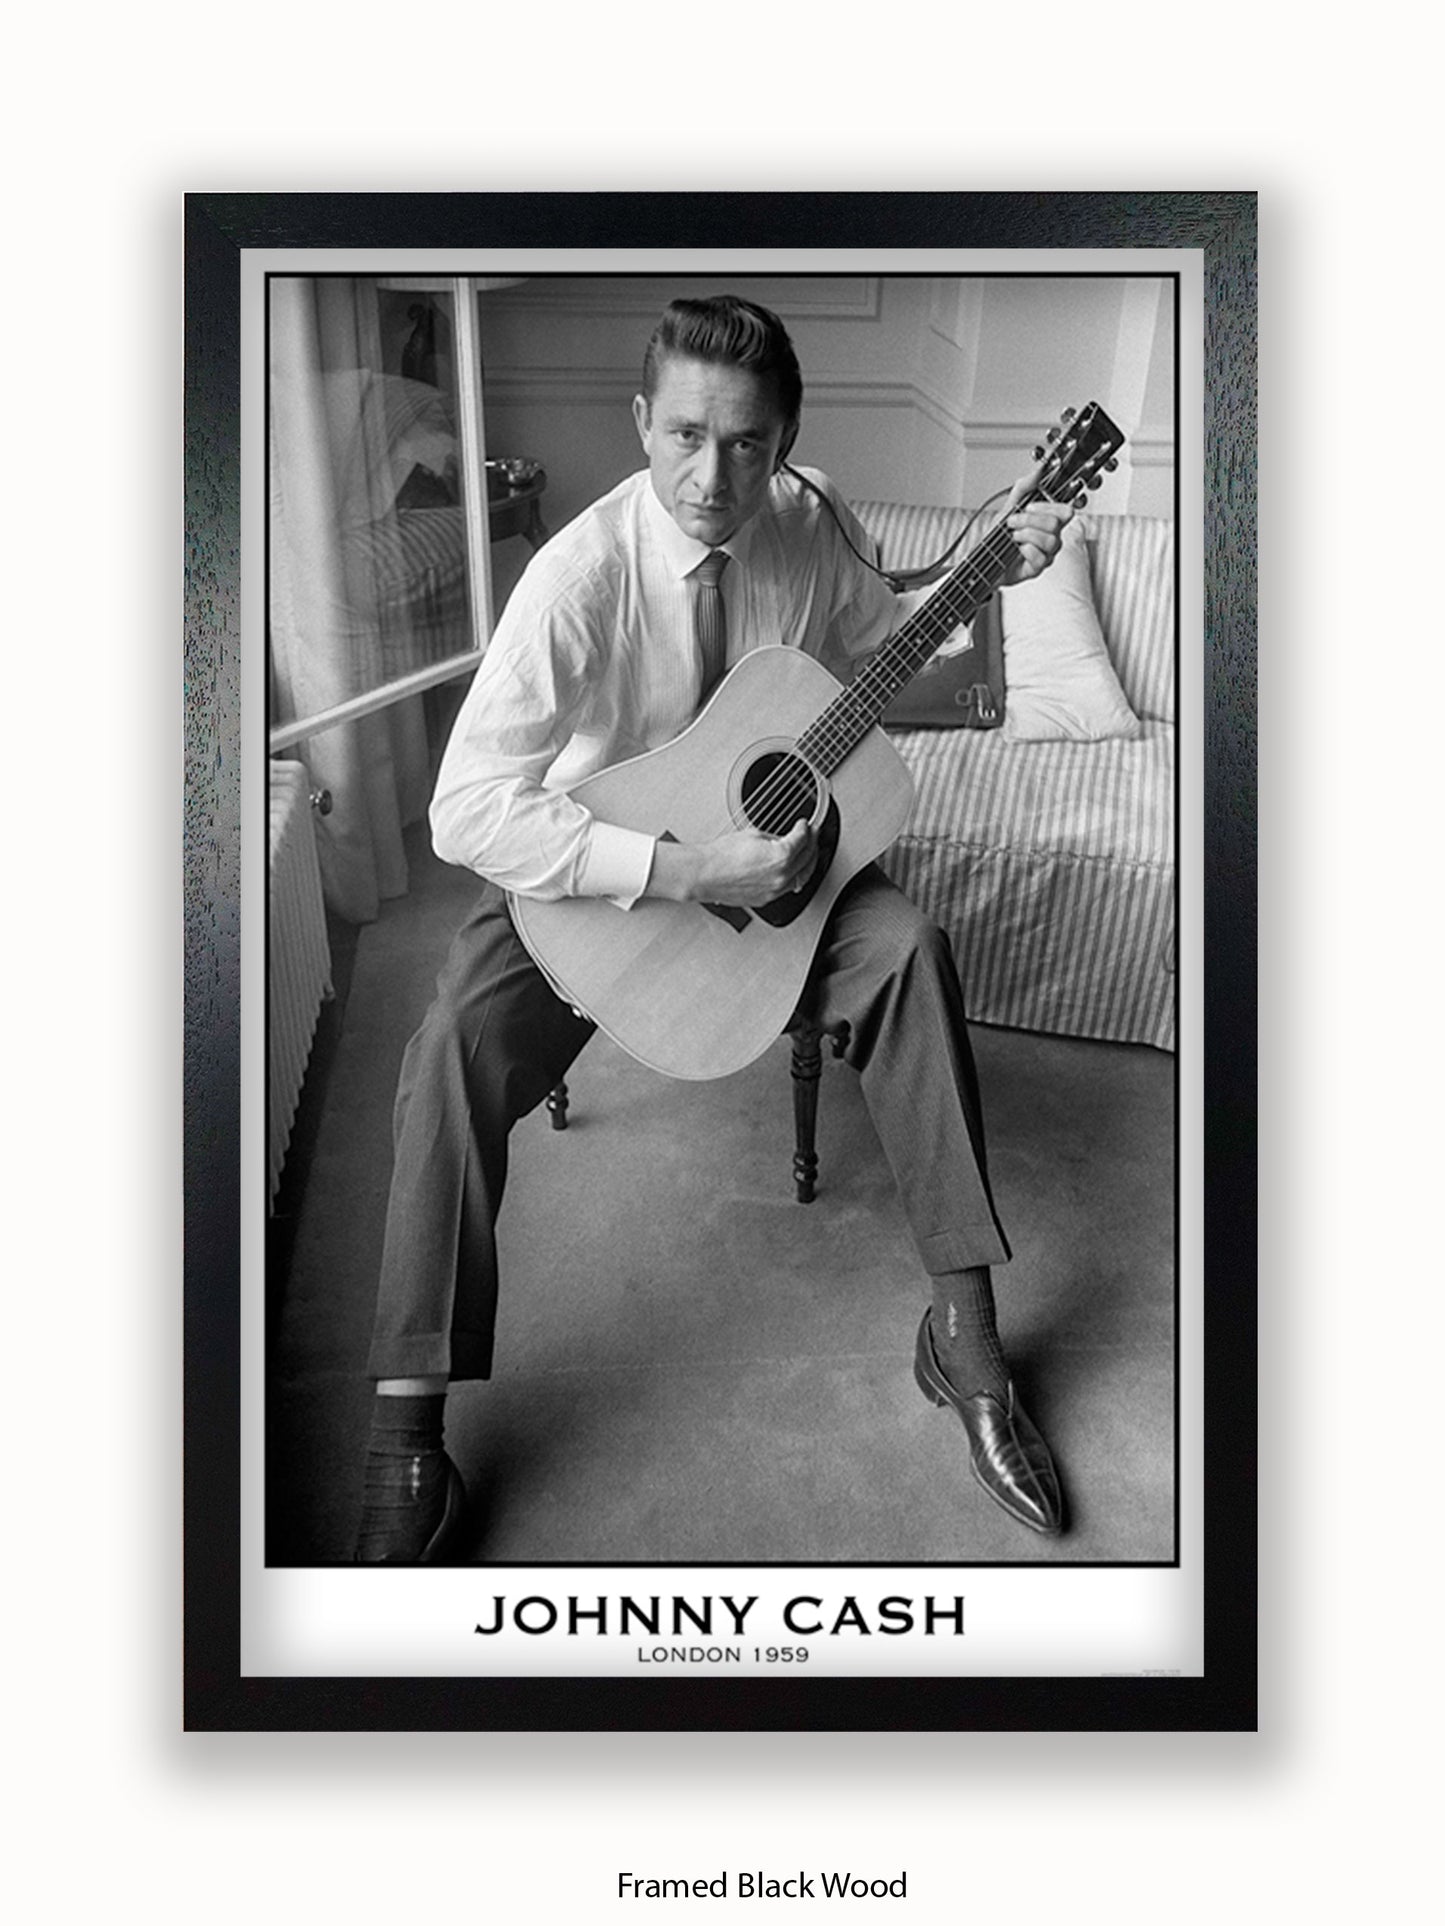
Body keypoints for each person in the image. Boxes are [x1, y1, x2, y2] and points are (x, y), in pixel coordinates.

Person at [354, 295, 1074, 1563]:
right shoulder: (577, 579)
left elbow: (878, 644)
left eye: (745, 444)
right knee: (450, 1043)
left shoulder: (806, 521)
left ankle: (964, 1344)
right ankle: (404, 1428)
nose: (711, 476)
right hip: (593, 892)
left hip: (771, 889)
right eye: (685, 435)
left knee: (907, 950)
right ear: (642, 422)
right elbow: (464, 808)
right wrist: (685, 871)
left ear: (782, 442)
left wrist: (987, 575)